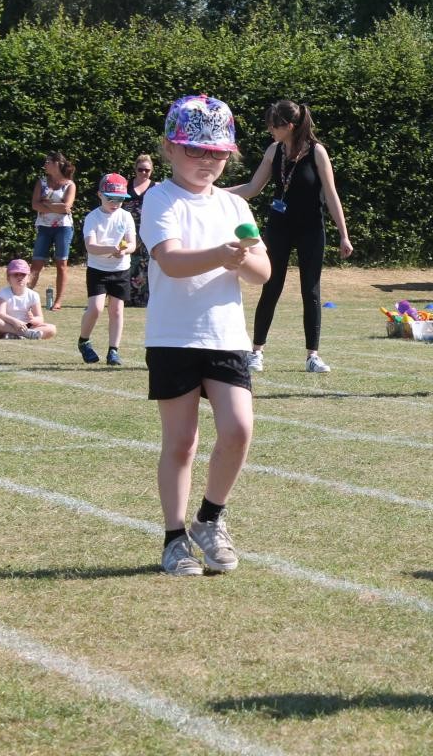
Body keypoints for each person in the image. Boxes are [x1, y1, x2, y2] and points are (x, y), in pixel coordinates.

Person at [140, 94, 271, 577]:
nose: (207, 161)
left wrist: (242, 257)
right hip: (173, 336)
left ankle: (209, 519)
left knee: (238, 429)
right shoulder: (159, 198)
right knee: (182, 443)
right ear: (170, 149)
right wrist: (221, 254)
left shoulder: (234, 204)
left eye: (216, 153)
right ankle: (175, 539)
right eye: (195, 151)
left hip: (226, 336)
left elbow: (262, 269)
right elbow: (171, 261)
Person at [227, 100, 353, 374]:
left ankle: (313, 356)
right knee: (271, 286)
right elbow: (252, 188)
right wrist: (216, 191)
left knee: (311, 291)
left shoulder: (317, 152)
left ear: (290, 126)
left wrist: (344, 235)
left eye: (274, 125)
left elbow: (331, 195)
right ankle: (256, 352)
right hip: (279, 227)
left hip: (310, 229)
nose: (270, 129)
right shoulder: (274, 150)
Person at [78, 174, 137, 365]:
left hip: (121, 269)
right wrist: (111, 250)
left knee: (117, 310)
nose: (115, 203)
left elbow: (132, 244)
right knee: (95, 309)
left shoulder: (126, 216)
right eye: (110, 198)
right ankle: (84, 341)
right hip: (97, 269)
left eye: (119, 199)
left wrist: (124, 250)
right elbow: (90, 247)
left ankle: (113, 351)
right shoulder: (92, 218)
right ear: (99, 195)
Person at [28, 152, 77, 310]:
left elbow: (66, 208)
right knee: (36, 263)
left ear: (57, 163)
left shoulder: (69, 184)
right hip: (44, 227)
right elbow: (35, 205)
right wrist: (56, 206)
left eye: (48, 161)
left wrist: (46, 204)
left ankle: (58, 301)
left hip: (63, 228)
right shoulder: (41, 182)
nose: (45, 164)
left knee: (61, 263)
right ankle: (25, 296)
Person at [0, 259, 57, 340]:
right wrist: (15, 322)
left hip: (27, 326)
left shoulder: (33, 295)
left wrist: (33, 320)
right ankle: (24, 334)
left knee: (52, 328)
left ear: (29, 278)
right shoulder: (3, 293)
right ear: (8, 278)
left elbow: (40, 318)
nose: (19, 278)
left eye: (23, 274)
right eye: (15, 275)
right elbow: (0, 314)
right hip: (7, 325)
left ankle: (19, 335)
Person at [125, 154, 158, 308]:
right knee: (127, 262)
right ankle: (125, 297)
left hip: (147, 231)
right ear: (135, 169)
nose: (144, 173)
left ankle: (144, 298)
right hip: (126, 231)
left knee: (145, 264)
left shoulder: (156, 187)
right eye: (141, 169)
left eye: (147, 170)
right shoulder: (126, 185)